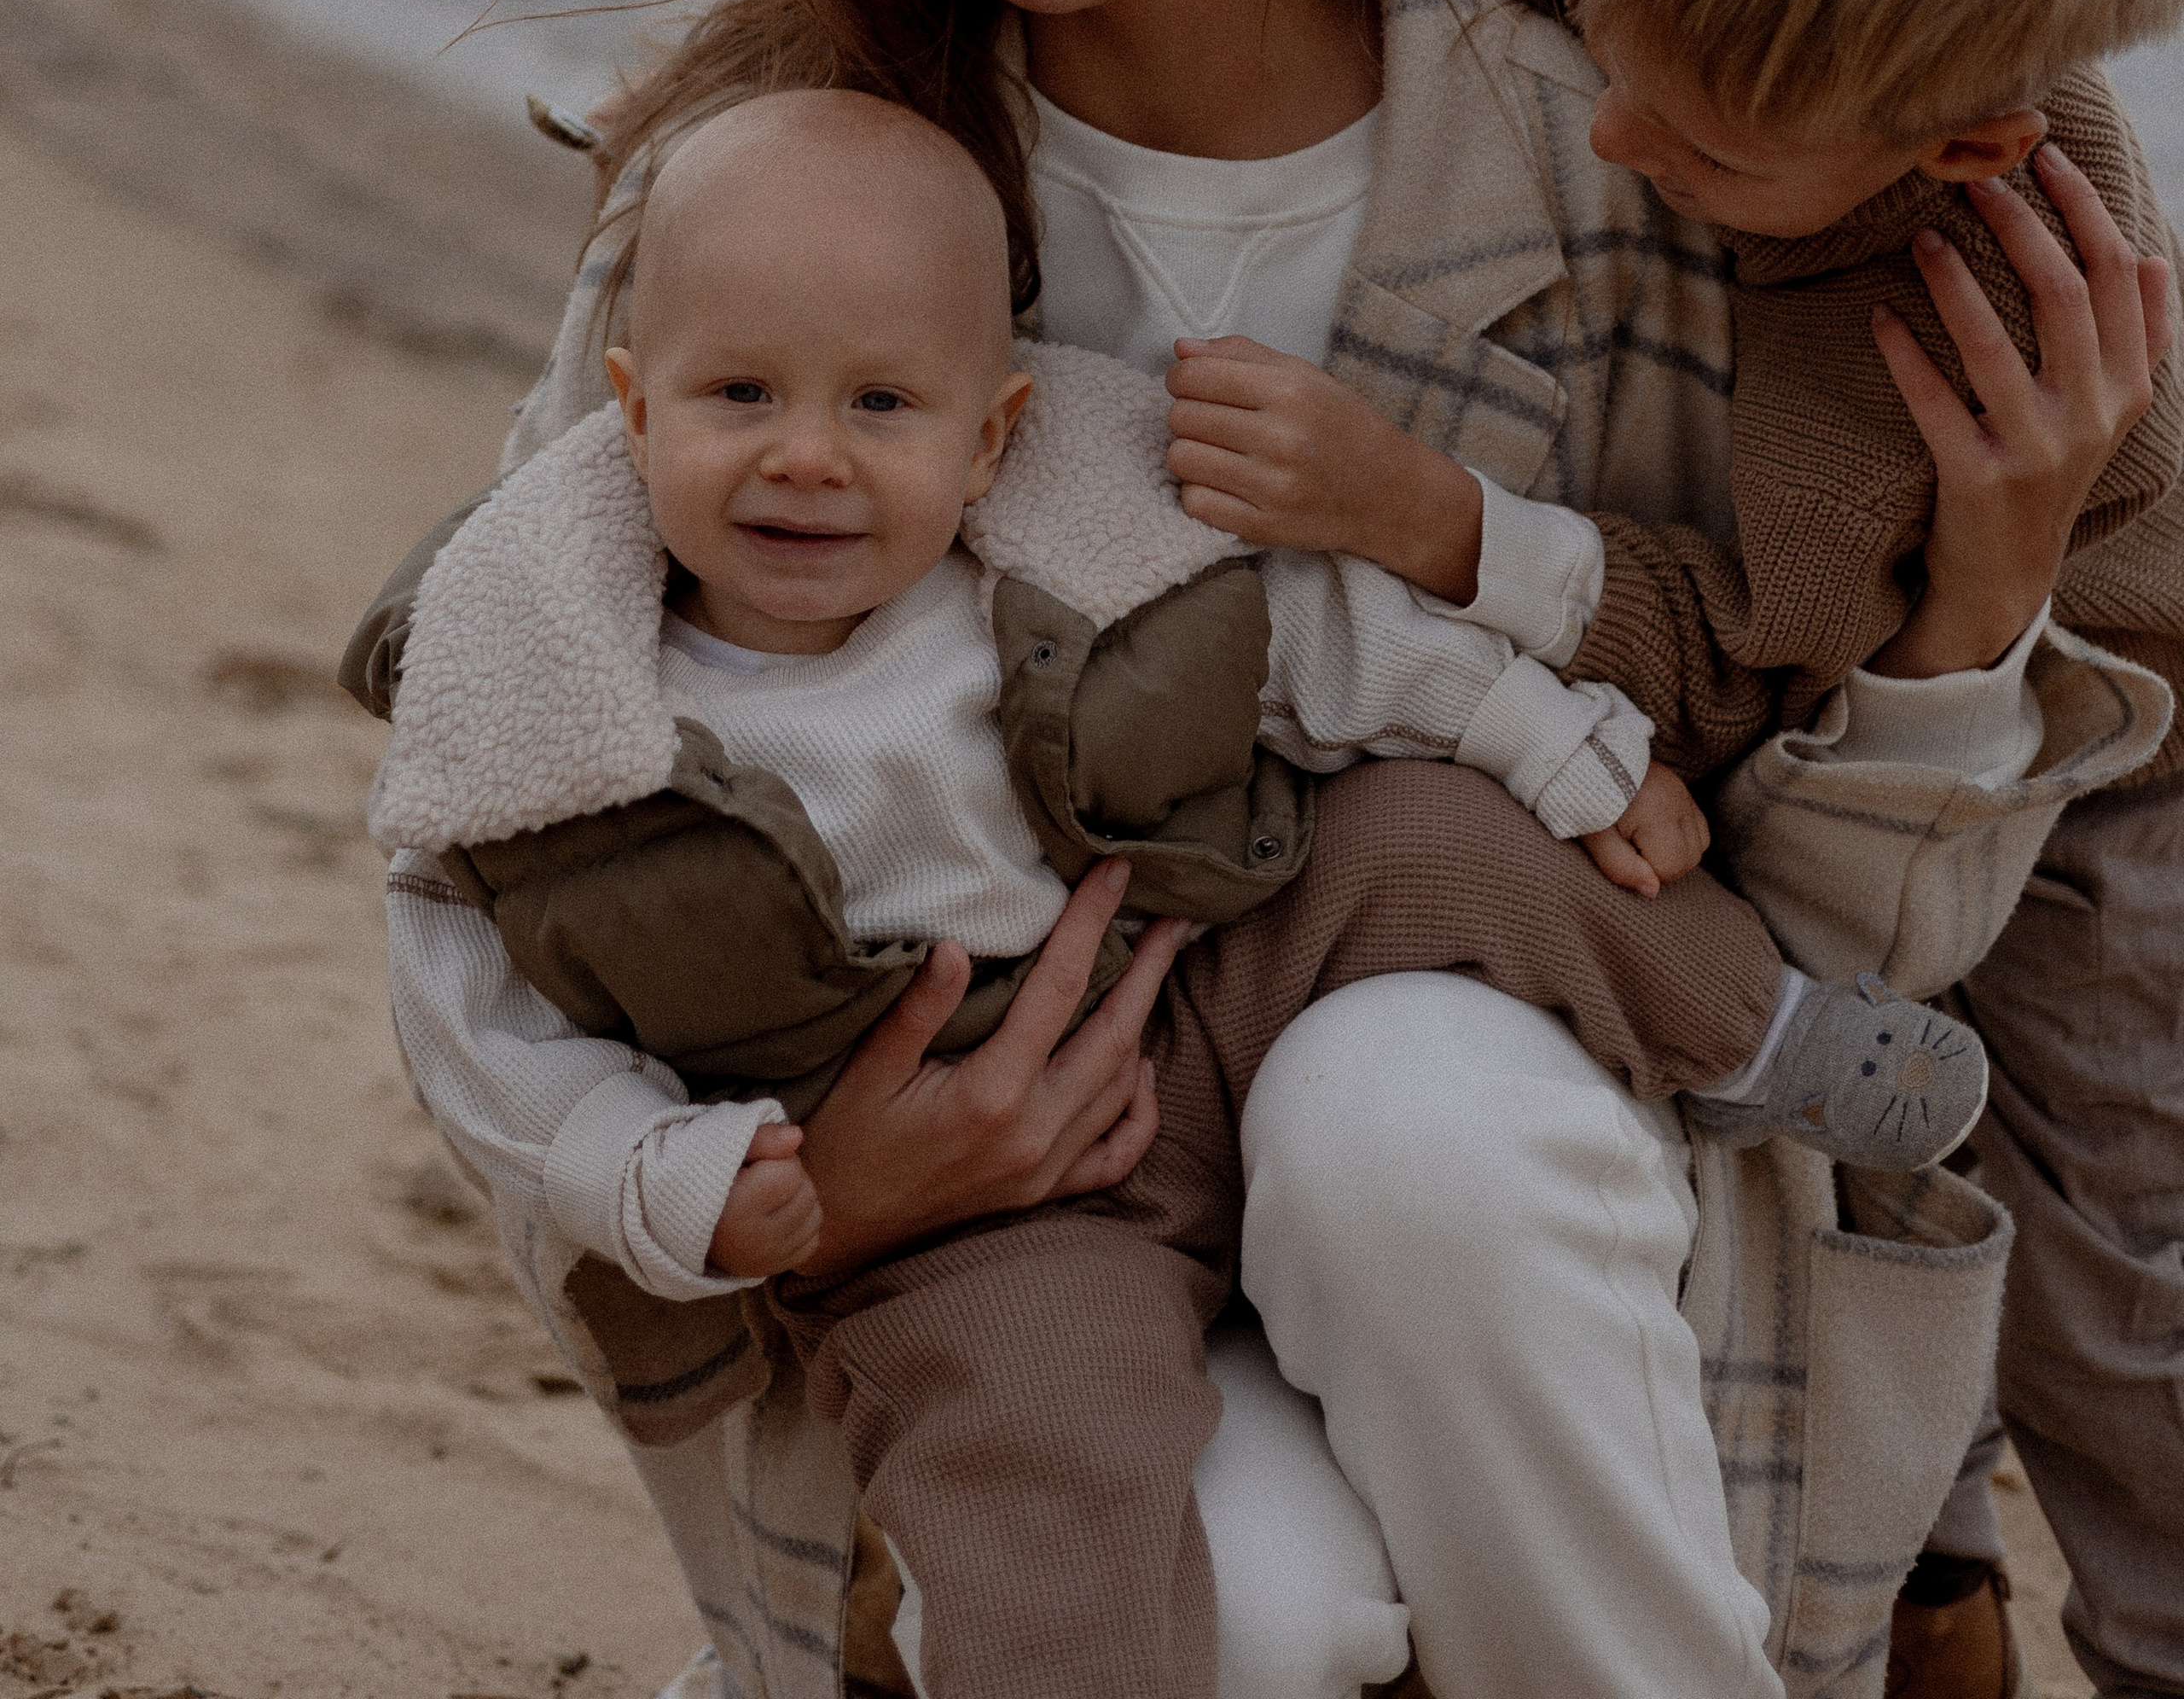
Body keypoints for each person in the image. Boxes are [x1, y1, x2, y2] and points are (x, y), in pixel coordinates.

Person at [353, 0, 2168, 1699]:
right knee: (1239, 1618)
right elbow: (503, 813)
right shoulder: (767, 209)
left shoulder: (1640, 164)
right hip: (1007, 1246)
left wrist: (1978, 607)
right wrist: (803, 1193)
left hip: (1559, 1243)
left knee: (1399, 1108)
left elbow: (1848, 960)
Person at [361, 86, 1989, 1699]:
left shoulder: (1058, 541)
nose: (806, 457)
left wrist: (1554, 742)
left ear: (989, 437)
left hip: (1212, 968)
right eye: (739, 395)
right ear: (632, 411)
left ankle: (1756, 1034)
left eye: (881, 405)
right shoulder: (559, 704)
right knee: (1039, 1482)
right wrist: (664, 1175)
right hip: (988, 1210)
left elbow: (1314, 640)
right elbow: (475, 1015)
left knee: (1431, 831)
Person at [1443, 0, 2184, 1699]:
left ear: (1948, 151)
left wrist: (1441, 538)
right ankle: (1931, 1587)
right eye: (1611, 48)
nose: (1612, 128)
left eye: (1700, 150)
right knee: (1854, 1129)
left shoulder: (1939, 309)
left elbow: (1756, 648)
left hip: (2111, 735)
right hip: (1878, 694)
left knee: (2108, 1262)